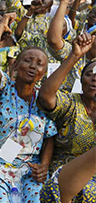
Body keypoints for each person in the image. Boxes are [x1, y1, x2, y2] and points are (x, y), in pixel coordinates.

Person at [0, 13, 57, 203]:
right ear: (15, 65)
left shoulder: (43, 99)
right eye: (28, 60)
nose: (33, 66)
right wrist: (2, 27)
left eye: (40, 64)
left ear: (44, 73)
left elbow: (50, 135)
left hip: (30, 167)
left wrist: (45, 165)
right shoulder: (3, 87)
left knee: (39, 198)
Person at [37, 32, 96, 201]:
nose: (94, 78)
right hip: (66, 178)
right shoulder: (71, 103)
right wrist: (74, 56)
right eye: (89, 74)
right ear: (81, 80)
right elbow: (46, 96)